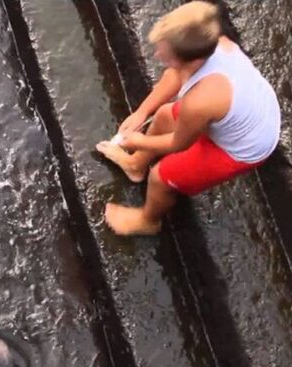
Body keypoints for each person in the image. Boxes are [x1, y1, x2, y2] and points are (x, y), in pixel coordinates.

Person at [95, 1, 280, 235]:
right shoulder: (216, 45)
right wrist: (142, 112)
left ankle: (148, 220)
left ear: (188, 59)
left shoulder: (200, 101)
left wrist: (136, 141)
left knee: (161, 177)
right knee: (162, 115)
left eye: (164, 52)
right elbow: (175, 74)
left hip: (244, 147)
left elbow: (178, 143)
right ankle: (136, 165)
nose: (156, 54)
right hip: (245, 111)